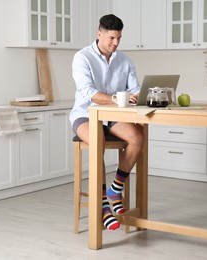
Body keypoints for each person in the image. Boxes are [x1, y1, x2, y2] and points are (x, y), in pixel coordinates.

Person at [69, 14, 144, 231]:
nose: (115, 43)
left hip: (112, 115)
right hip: (85, 114)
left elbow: (135, 88)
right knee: (98, 139)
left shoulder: (125, 60)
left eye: (119, 38)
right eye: (111, 38)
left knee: (137, 137)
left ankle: (116, 187)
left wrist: (140, 95)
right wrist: (114, 98)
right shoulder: (82, 57)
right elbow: (88, 92)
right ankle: (103, 206)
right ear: (99, 33)